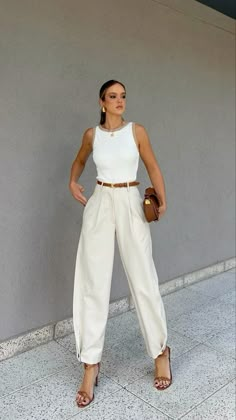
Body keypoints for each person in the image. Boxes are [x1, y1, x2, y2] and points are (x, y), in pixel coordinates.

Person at [69, 79, 172, 408]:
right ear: (101, 101)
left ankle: (160, 352)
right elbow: (80, 161)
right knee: (91, 283)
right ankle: (90, 364)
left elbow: (152, 165)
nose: (119, 101)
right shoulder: (91, 135)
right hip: (100, 202)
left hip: (130, 200)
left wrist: (163, 200)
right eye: (113, 96)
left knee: (144, 279)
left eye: (123, 96)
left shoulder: (136, 131)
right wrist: (73, 182)